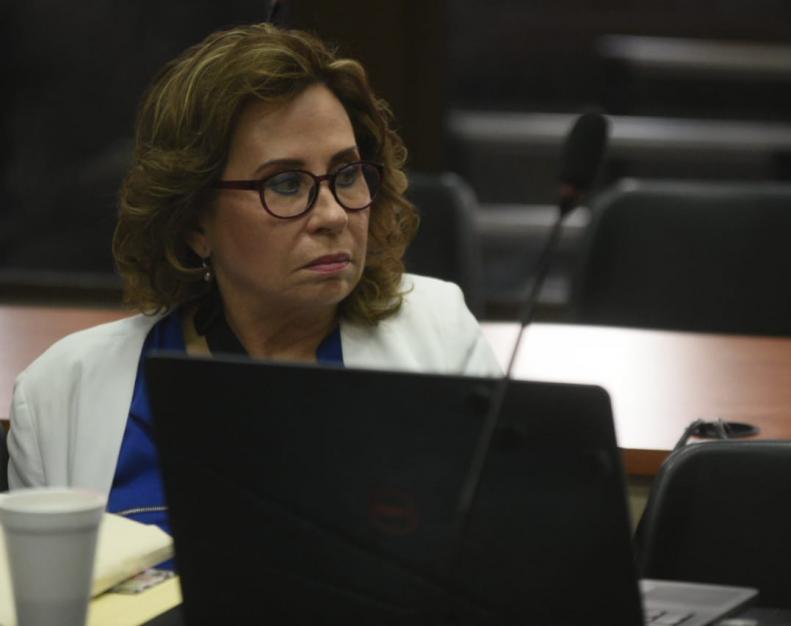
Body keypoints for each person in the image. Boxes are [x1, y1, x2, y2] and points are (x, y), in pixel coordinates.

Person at [6, 24, 501, 535]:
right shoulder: (59, 395)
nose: (332, 215)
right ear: (195, 221)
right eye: (286, 184)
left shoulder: (441, 343)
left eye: (347, 173)